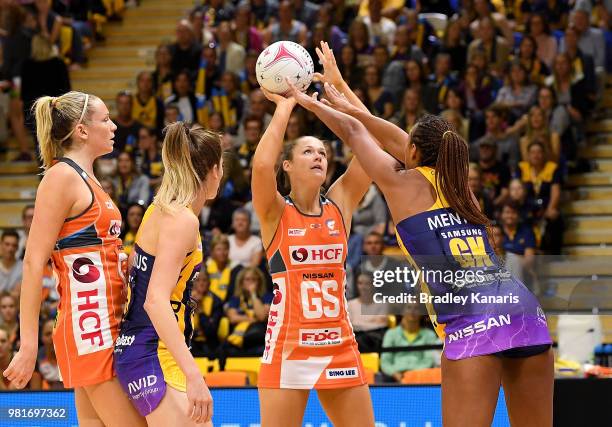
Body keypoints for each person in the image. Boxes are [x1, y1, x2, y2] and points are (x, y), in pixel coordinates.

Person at [288, 45, 553, 426]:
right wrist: (342, 87)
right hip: (524, 310)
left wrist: (305, 101)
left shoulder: (402, 184)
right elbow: (375, 128)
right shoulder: (461, 185)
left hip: (473, 318)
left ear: (413, 151)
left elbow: (356, 130)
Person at [252, 41, 380, 427]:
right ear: (287, 165)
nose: (319, 156)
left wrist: (336, 93)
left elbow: (370, 143)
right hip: (289, 345)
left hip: (339, 344)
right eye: (308, 151)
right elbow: (261, 166)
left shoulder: (340, 204)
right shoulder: (275, 211)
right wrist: (285, 107)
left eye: (323, 151)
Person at [2, 91, 144, 426]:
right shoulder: (61, 177)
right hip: (90, 324)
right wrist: (28, 346)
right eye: (105, 119)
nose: (113, 126)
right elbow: (34, 262)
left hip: (101, 323)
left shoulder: (87, 178)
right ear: (81, 130)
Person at [114, 122, 222, 425]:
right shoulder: (182, 220)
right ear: (215, 170)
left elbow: (131, 271)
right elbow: (155, 301)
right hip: (154, 353)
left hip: (137, 349)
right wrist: (195, 376)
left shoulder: (158, 209)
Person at [380, 304, 440, 382]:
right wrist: (395, 374)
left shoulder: (429, 335)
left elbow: (428, 361)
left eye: (416, 308)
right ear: (402, 311)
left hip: (420, 377)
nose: (412, 311)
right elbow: (385, 362)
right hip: (395, 378)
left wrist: (412, 376)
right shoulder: (391, 334)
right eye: (409, 307)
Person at [0, 229, 22, 297]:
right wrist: (10, 293)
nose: (10, 249)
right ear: (1, 245)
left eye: (14, 245)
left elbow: (19, 296)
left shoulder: (23, 268)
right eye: (7, 244)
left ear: (18, 247)